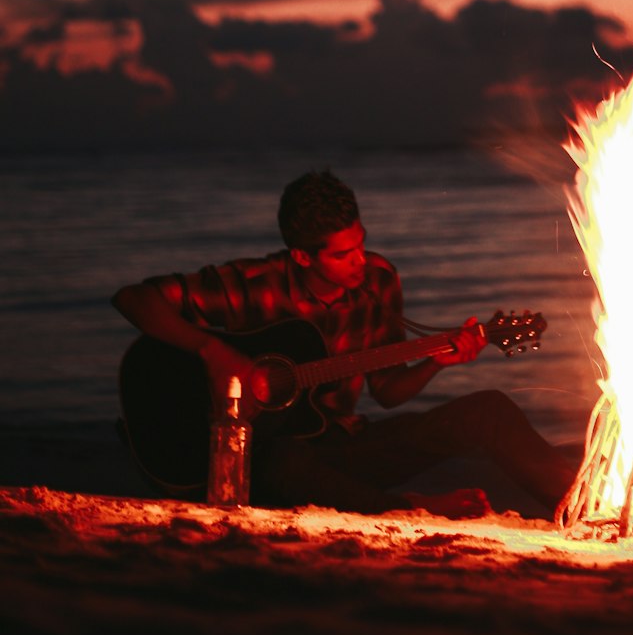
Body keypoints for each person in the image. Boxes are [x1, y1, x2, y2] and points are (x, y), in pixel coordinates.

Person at [112, 168, 575, 519]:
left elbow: (389, 392)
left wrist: (439, 361)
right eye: (341, 255)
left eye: (360, 244)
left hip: (343, 449)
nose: (359, 261)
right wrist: (214, 354)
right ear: (301, 255)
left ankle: (581, 507)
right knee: (283, 459)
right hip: (261, 461)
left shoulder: (377, 279)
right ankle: (409, 507)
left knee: (489, 410)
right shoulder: (253, 284)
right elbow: (134, 299)